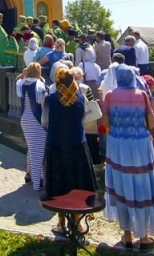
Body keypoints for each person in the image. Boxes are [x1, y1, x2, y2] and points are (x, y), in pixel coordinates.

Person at [102, 65, 154, 251]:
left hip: (118, 143)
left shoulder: (109, 95)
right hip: (139, 144)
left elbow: (105, 122)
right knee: (141, 185)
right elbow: (151, 121)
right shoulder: (142, 95)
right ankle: (144, 237)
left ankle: (126, 235)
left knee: (122, 184)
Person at [42, 68, 97, 237]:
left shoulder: (50, 99)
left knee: (59, 186)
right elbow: (83, 121)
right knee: (77, 184)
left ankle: (61, 223)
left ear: (58, 84)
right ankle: (77, 222)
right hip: (77, 147)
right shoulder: (80, 98)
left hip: (56, 147)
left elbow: (45, 121)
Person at [16, 62, 48, 190]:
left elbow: (18, 79)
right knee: (38, 152)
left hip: (25, 118)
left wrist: (24, 74)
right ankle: (38, 181)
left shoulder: (21, 83)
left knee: (32, 148)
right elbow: (43, 106)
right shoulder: (40, 85)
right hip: (36, 120)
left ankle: (30, 175)